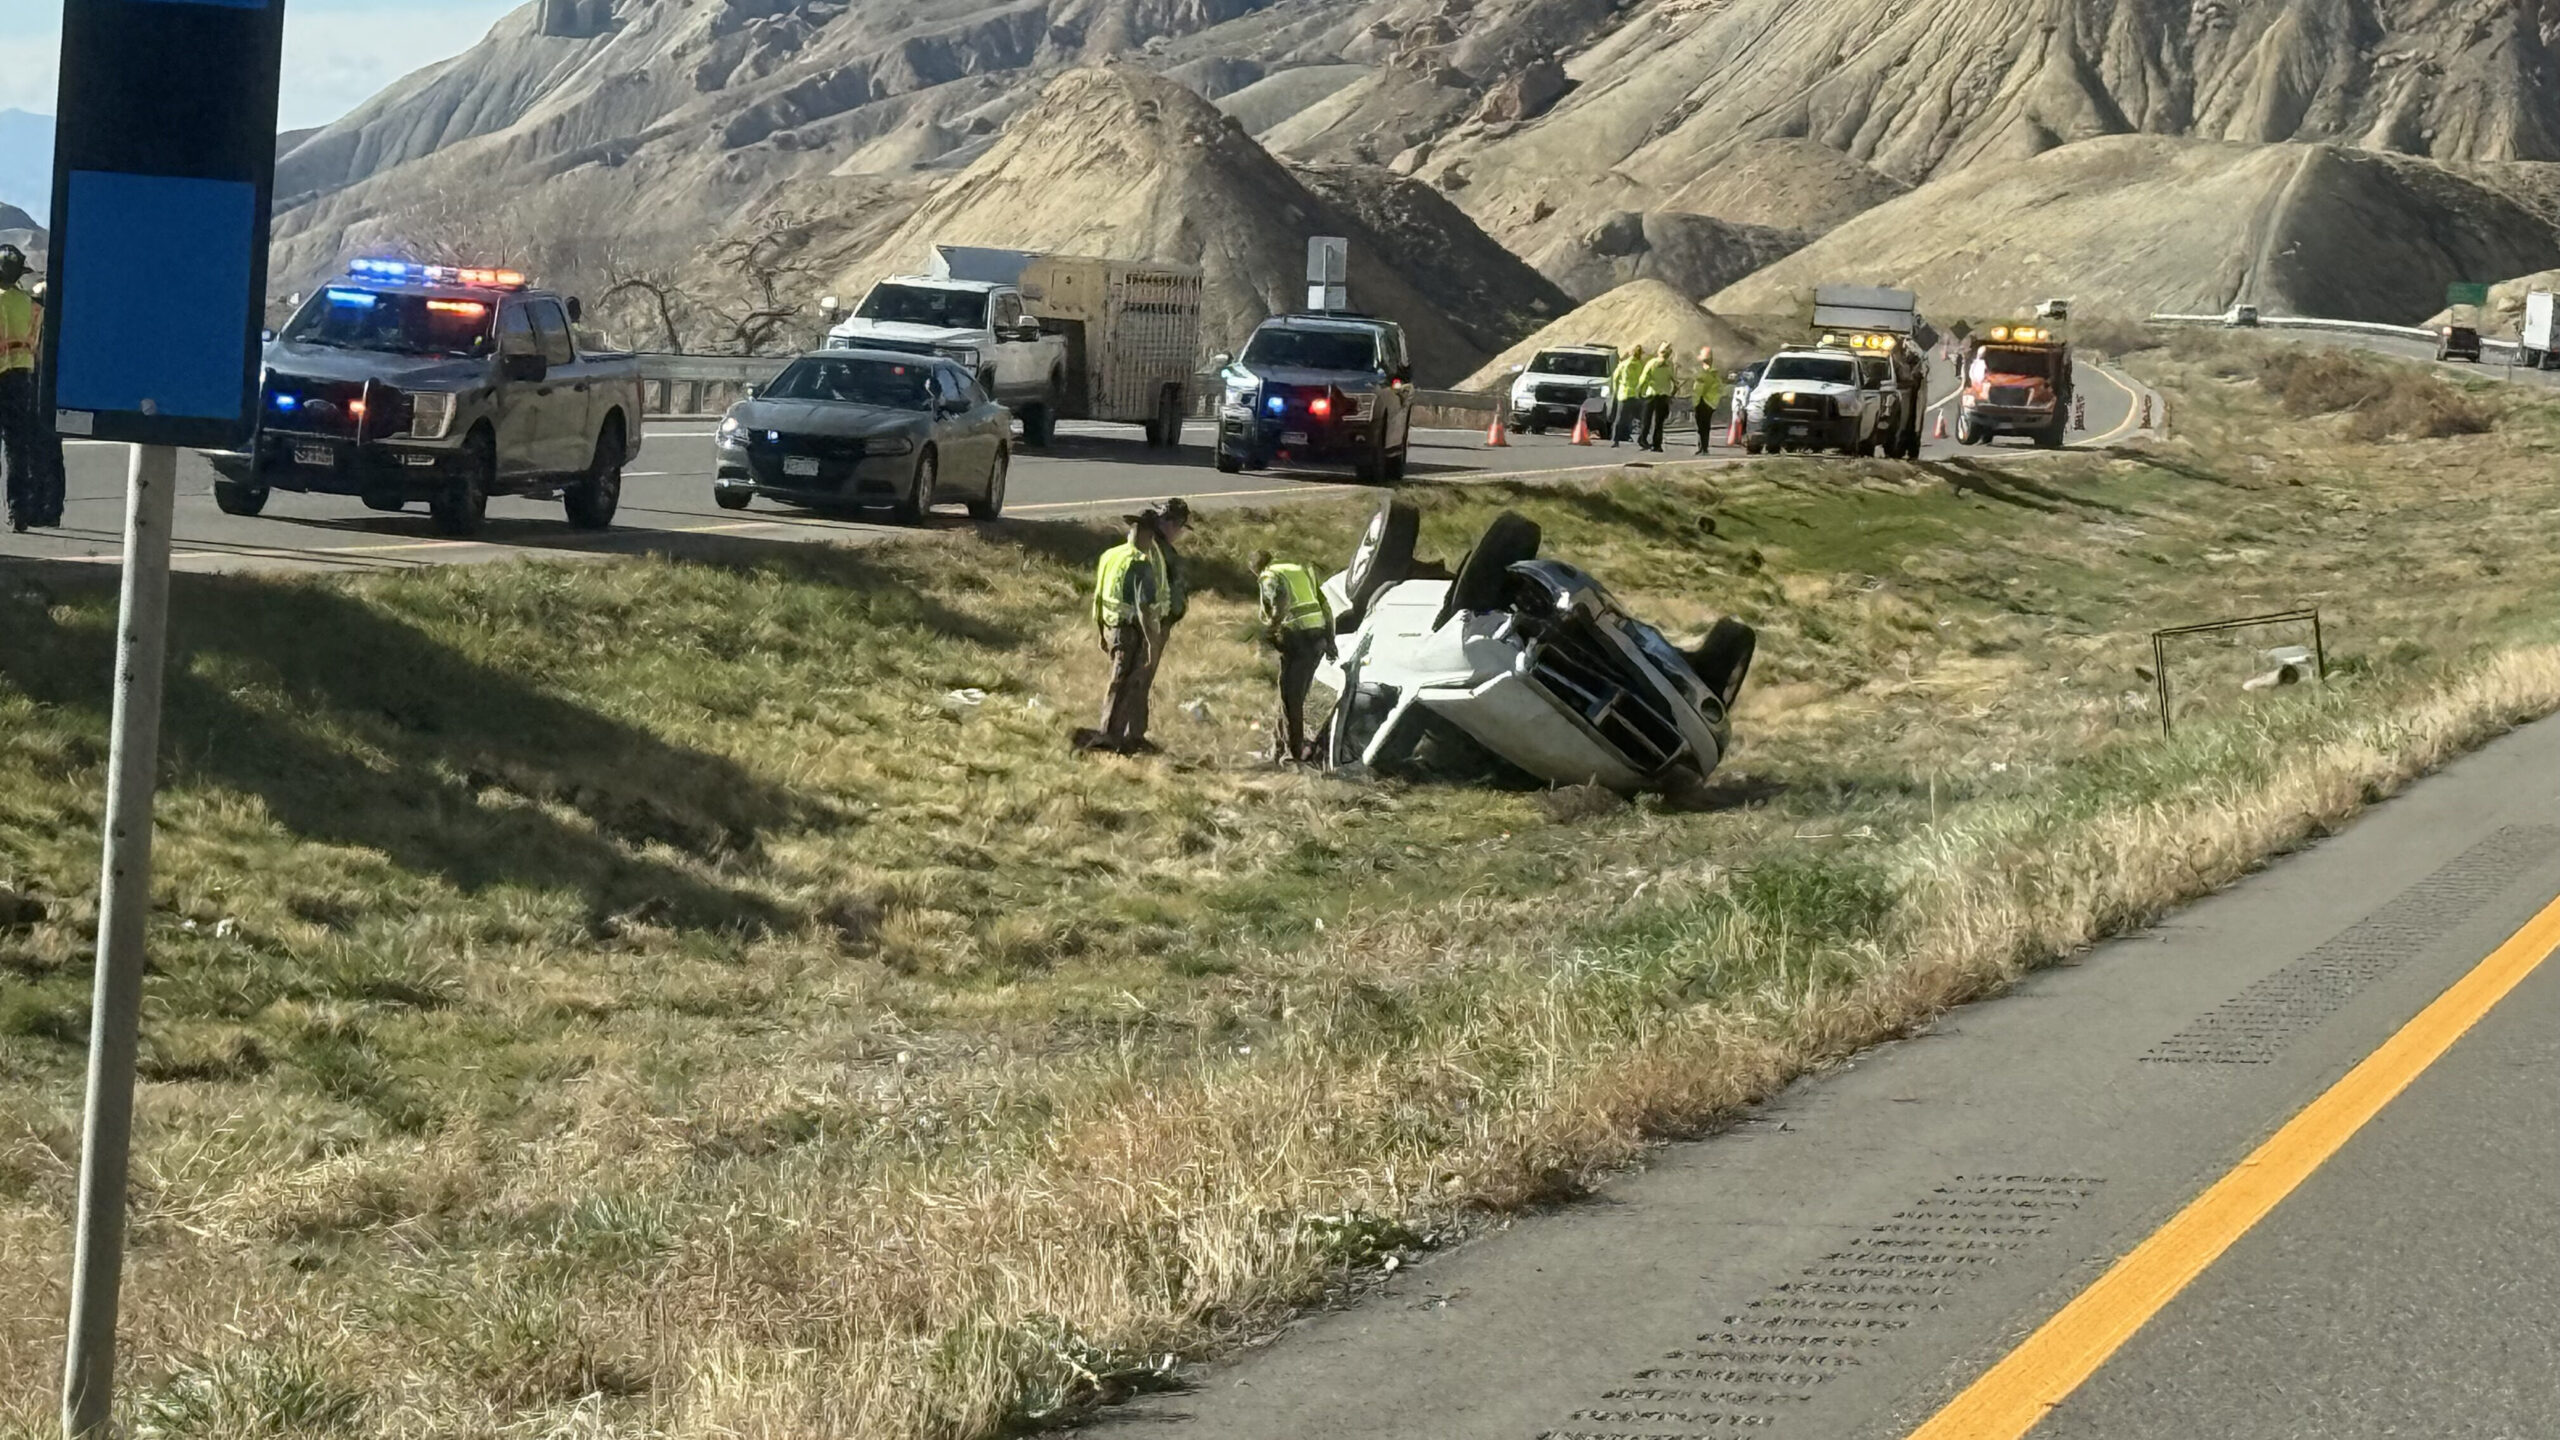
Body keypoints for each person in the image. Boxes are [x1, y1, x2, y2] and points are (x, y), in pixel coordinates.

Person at [1082, 511, 1167, 754]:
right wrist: (1153, 643)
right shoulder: (1140, 563)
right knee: (1125, 684)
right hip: (1130, 631)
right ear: (1149, 535)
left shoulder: (1111, 555)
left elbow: (1098, 595)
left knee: (1119, 681)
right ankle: (1110, 736)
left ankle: (1120, 736)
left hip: (1110, 627)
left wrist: (1100, 631)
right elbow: (1145, 609)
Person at [1253, 548, 1337, 763]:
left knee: (1291, 699)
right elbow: (1325, 605)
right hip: (1317, 637)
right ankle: (1280, 747)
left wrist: (1271, 628)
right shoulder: (1301, 569)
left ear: (1256, 568)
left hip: (1297, 638)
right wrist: (1331, 640)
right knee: (1293, 695)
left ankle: (1294, 754)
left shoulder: (1269, 576)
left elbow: (1281, 602)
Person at [0, 243, 54, 533]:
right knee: (17, 449)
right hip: (21, 380)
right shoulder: (32, 305)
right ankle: (18, 511)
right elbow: (35, 344)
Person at [1130, 497, 1192, 743]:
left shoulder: (1156, 546)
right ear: (1173, 523)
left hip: (1155, 621)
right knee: (1142, 678)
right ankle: (1134, 734)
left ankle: (1133, 732)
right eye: (1180, 527)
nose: (1178, 533)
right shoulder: (1157, 549)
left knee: (1140, 678)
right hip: (1152, 623)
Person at [1639, 342, 1675, 452]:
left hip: (1651, 394)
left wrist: (1639, 391)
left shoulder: (1652, 363)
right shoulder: (1670, 365)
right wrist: (1671, 394)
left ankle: (1643, 439)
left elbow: (1643, 379)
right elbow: (1674, 381)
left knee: (1646, 419)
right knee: (1659, 422)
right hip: (1663, 396)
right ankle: (1657, 444)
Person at [1690, 344, 1725, 455]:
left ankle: (1704, 447)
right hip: (1701, 401)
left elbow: (1712, 387)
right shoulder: (1705, 372)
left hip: (1706, 401)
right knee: (1701, 426)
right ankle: (1702, 447)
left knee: (1704, 425)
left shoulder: (1711, 373)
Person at [1607, 345, 1642, 447]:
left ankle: (1615, 440)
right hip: (1636, 395)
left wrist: (1615, 390)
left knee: (1619, 418)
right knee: (1639, 419)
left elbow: (1615, 378)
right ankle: (1641, 439)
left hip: (1624, 394)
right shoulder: (1640, 365)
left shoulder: (1623, 364)